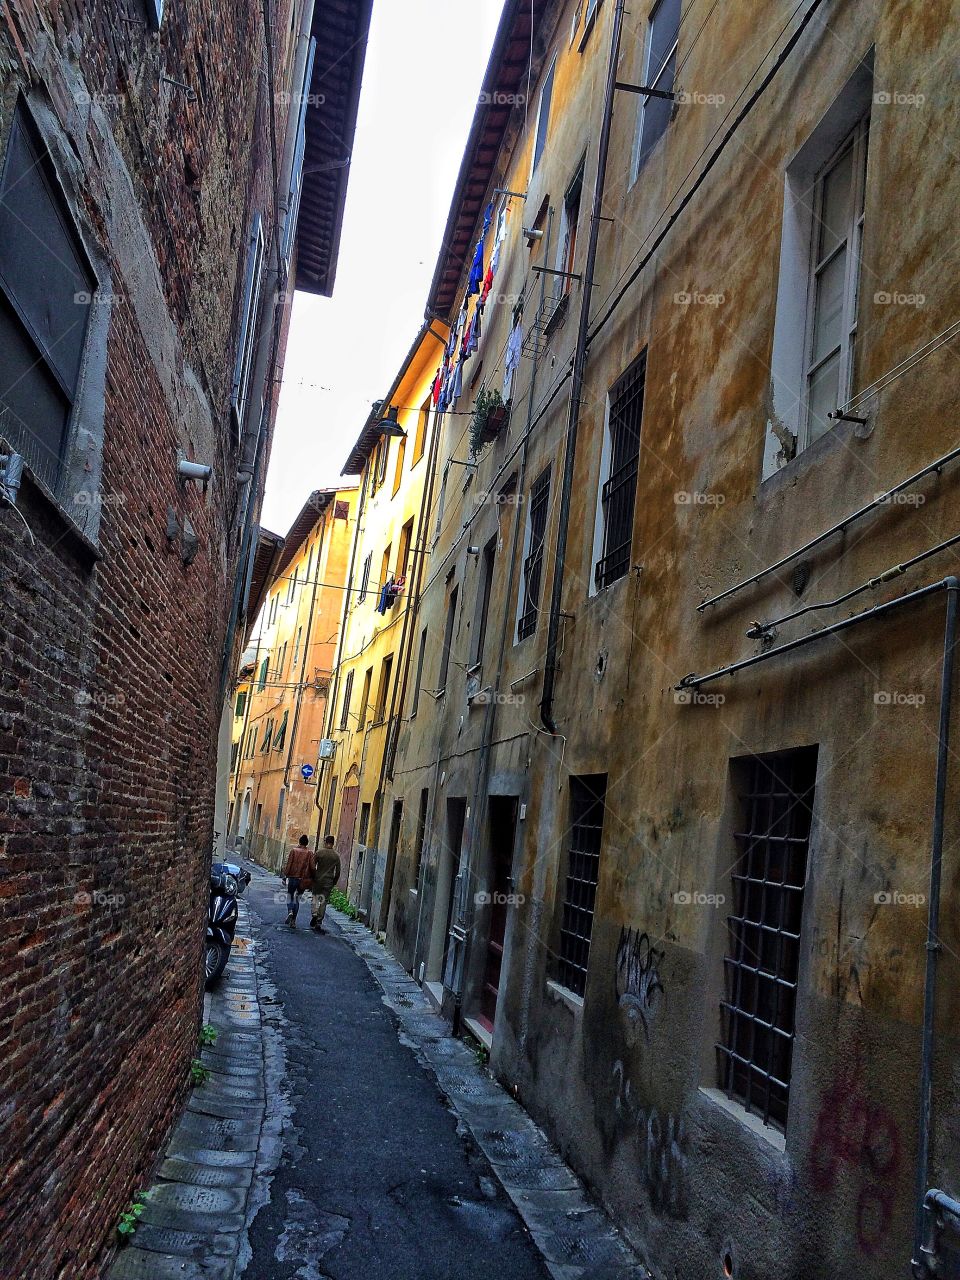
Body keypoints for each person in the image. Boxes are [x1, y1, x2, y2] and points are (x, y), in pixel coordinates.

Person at [310, 835, 342, 933]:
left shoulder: (319, 852)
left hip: (318, 879)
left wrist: (314, 874)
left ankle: (314, 914)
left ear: (325, 842)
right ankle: (319, 922)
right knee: (324, 901)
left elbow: (312, 864)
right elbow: (338, 872)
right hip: (329, 881)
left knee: (315, 897)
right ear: (333, 843)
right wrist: (334, 881)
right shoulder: (336, 856)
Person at [283, 835, 314, 927]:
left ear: (299, 842)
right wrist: (312, 878)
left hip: (292, 877)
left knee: (290, 895)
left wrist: (285, 876)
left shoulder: (293, 851)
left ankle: (290, 911)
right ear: (307, 843)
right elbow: (312, 867)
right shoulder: (310, 853)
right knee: (297, 898)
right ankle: (293, 921)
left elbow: (289, 864)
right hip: (303, 880)